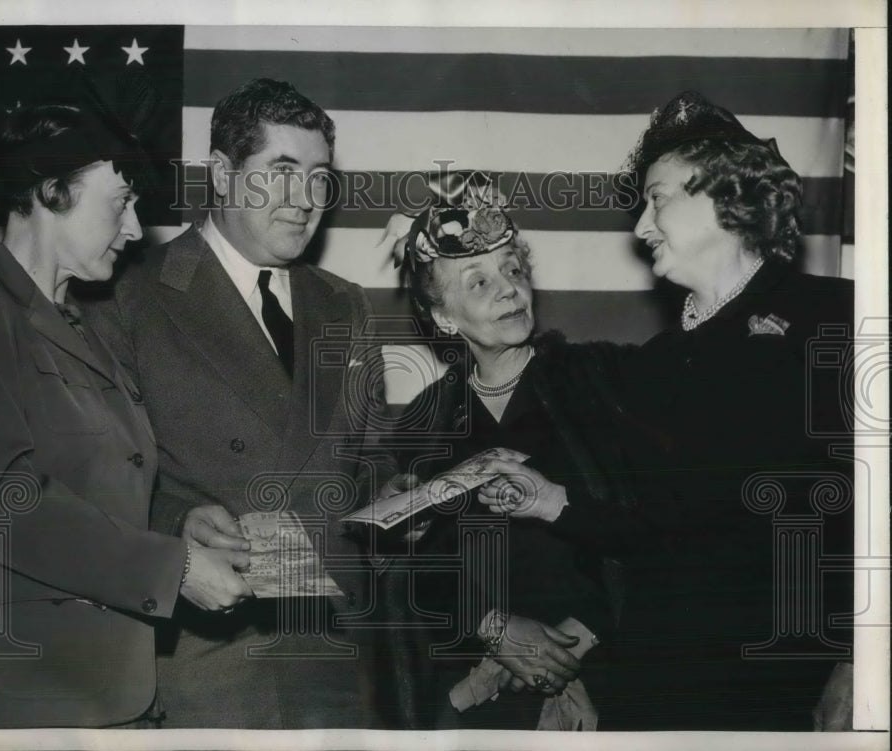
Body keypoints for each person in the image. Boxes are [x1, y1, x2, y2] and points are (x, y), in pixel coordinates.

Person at [476, 91, 855, 730]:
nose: (641, 228)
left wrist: (858, 662)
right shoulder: (653, 365)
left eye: (657, 199)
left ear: (726, 190)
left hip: (788, 686)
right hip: (659, 689)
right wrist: (549, 500)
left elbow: (871, 513)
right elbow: (656, 528)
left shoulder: (835, 316)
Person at [80, 77, 397, 728]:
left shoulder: (346, 303)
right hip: (207, 661)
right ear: (222, 175)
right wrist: (178, 522)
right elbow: (88, 484)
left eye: (318, 177)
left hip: (340, 659)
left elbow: (372, 457)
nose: (306, 199)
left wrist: (407, 505)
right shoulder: (130, 297)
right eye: (281, 173)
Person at [0, 100, 253, 728]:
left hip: (118, 697)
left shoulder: (91, 333)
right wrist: (174, 567)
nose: (134, 229)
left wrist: (180, 524)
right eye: (120, 202)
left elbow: (102, 490)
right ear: (53, 192)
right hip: (23, 699)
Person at [374, 172, 644, 729]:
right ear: (444, 317)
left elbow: (654, 527)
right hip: (474, 696)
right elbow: (420, 575)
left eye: (513, 270)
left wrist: (567, 651)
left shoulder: (602, 379)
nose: (508, 289)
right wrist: (495, 631)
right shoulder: (423, 425)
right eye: (477, 282)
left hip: (612, 676)